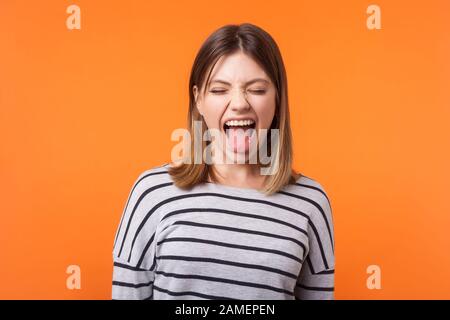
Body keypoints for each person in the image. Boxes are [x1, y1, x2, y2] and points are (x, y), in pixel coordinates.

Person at [112, 23, 335, 300]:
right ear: (199, 101)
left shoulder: (311, 202)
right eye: (219, 90)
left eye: (257, 89)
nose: (239, 103)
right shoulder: (152, 192)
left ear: (278, 99)